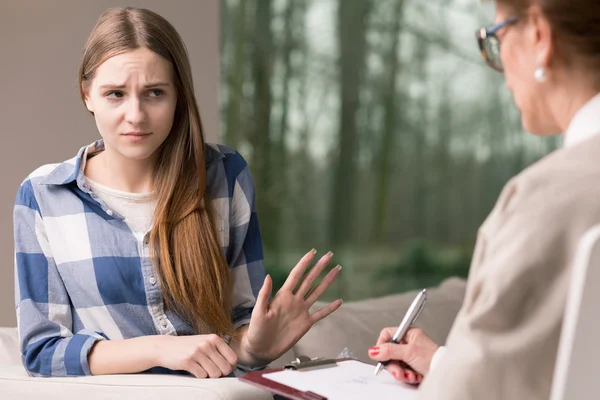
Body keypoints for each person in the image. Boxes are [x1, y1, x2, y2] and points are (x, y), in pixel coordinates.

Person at [13, 7, 342, 379]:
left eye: (155, 93)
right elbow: (44, 352)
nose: (135, 115)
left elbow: (240, 330)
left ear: (179, 96)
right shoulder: (44, 195)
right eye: (115, 94)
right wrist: (161, 348)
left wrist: (253, 346)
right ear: (87, 94)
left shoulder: (226, 175)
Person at [368, 0, 600, 399]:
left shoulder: (545, 201)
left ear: (539, 36)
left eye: (496, 38)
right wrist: (445, 363)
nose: (502, 70)